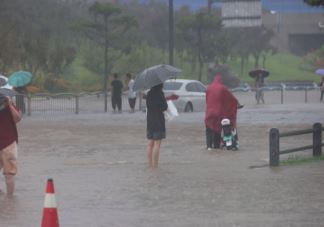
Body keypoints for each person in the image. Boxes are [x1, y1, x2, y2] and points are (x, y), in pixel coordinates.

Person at [205, 75, 239, 150]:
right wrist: (237, 103)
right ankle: (216, 146)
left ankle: (209, 146)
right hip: (218, 112)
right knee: (217, 129)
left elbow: (207, 100)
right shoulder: (222, 88)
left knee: (209, 129)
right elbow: (230, 98)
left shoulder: (209, 88)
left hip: (209, 112)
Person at [0, 94, 22, 196]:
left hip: (8, 144)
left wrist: (9, 104)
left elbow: (18, 118)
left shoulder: (9, 103)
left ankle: (9, 200)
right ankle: (8, 205)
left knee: (9, 175)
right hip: (9, 143)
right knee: (9, 175)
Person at [146, 83, 168, 168]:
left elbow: (148, 106)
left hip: (150, 121)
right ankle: (155, 166)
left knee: (150, 144)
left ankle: (149, 164)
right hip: (158, 121)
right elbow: (164, 107)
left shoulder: (149, 94)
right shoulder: (160, 94)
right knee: (157, 144)